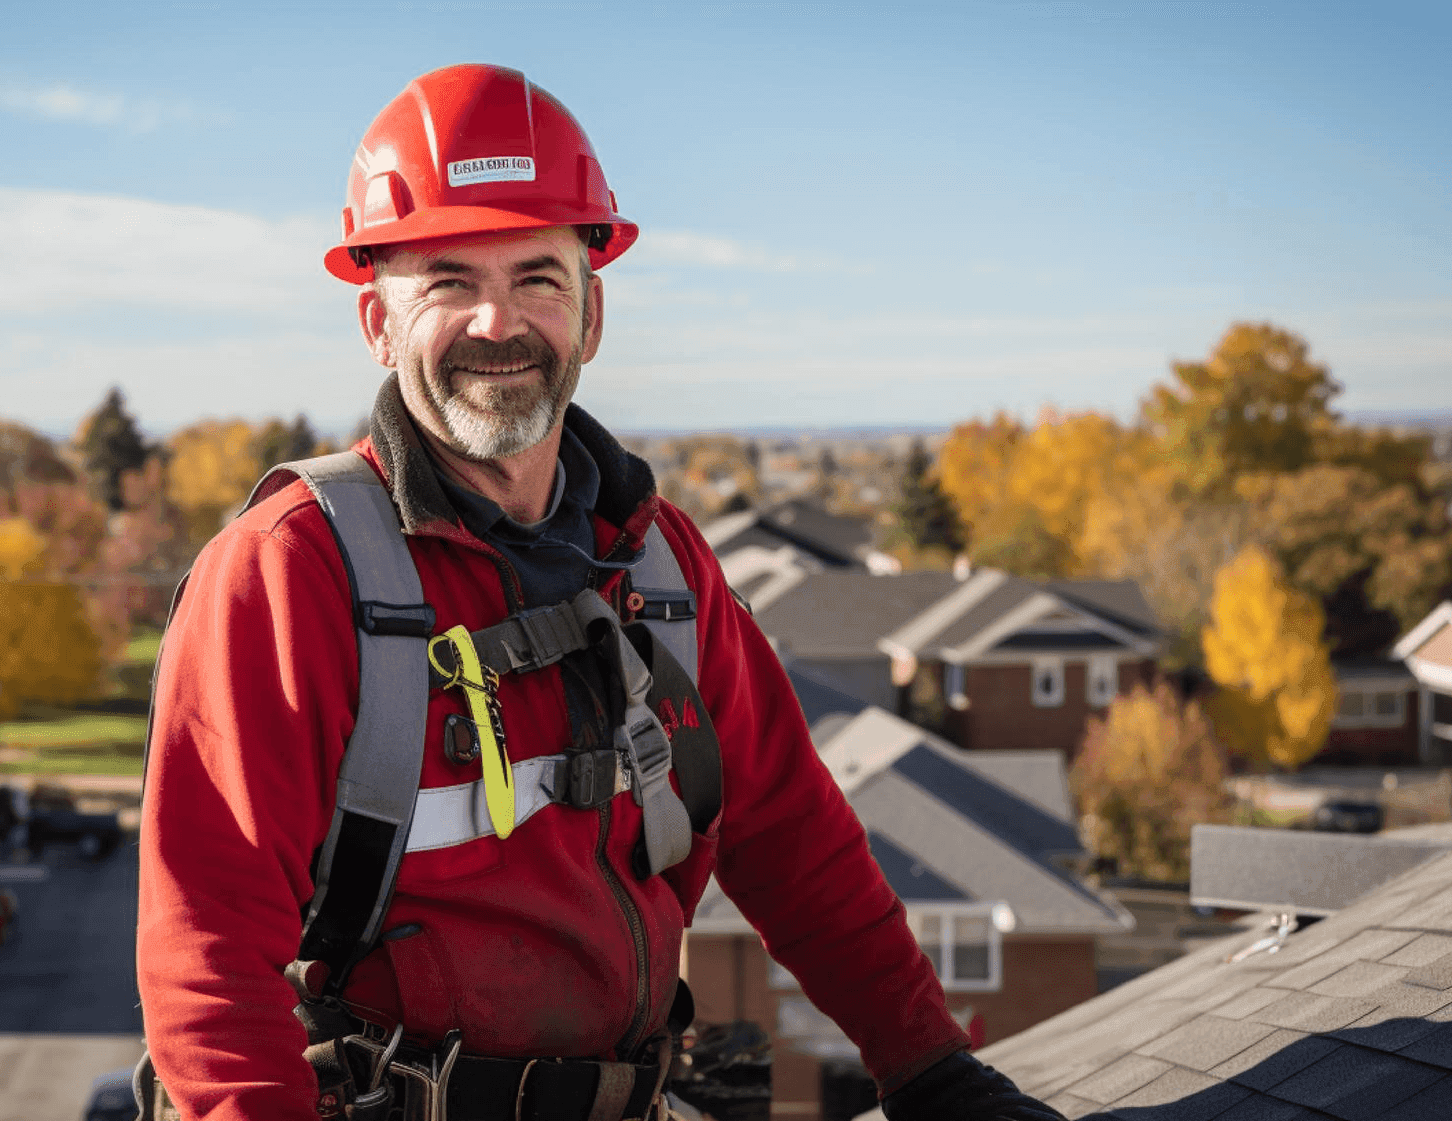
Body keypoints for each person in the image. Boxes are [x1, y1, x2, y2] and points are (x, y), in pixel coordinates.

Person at [136, 63, 1062, 1121]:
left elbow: (793, 835)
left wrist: (930, 1068)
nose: (497, 322)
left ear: (592, 311)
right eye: (447, 281)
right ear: (377, 324)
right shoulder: (289, 574)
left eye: (537, 276)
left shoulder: (658, 565)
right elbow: (206, 957)